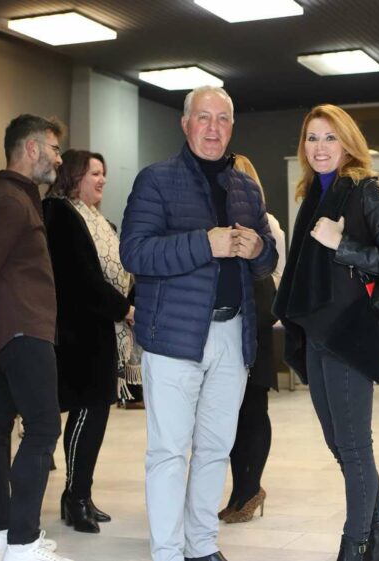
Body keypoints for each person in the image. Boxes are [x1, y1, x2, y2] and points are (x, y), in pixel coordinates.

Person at [119, 85, 277, 561]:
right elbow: (135, 252)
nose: (213, 128)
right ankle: (168, 552)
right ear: (185, 124)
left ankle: (202, 545)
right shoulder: (155, 180)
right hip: (173, 337)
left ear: (232, 127)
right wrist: (204, 244)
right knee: (169, 451)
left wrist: (259, 250)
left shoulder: (246, 187)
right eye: (203, 117)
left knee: (215, 448)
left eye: (222, 118)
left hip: (232, 335)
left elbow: (267, 258)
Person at [273, 104, 379, 561]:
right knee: (341, 445)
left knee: (353, 446)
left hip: (350, 332)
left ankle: (356, 545)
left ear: (348, 143)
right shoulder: (314, 193)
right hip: (318, 331)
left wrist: (341, 244)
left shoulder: (366, 190)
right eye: (312, 138)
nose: (320, 147)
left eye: (330, 137)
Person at [0, 114, 70, 561]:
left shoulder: (10, 198)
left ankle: (2, 536)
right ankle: (23, 542)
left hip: (10, 334)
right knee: (43, 427)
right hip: (24, 331)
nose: (59, 159)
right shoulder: (9, 202)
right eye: (54, 149)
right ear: (31, 148)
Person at [43, 150, 135, 534]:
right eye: (94, 173)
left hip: (101, 331)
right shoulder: (60, 214)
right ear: (74, 175)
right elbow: (79, 277)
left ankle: (80, 494)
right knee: (86, 412)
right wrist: (124, 309)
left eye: (103, 173)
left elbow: (119, 273)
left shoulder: (100, 221)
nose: (102, 180)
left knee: (95, 414)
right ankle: (75, 498)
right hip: (77, 332)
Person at [218, 154, 286, 524]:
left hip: (255, 324)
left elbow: (278, 271)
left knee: (254, 409)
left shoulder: (268, 223)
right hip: (228, 326)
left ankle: (251, 488)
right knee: (232, 413)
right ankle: (239, 490)